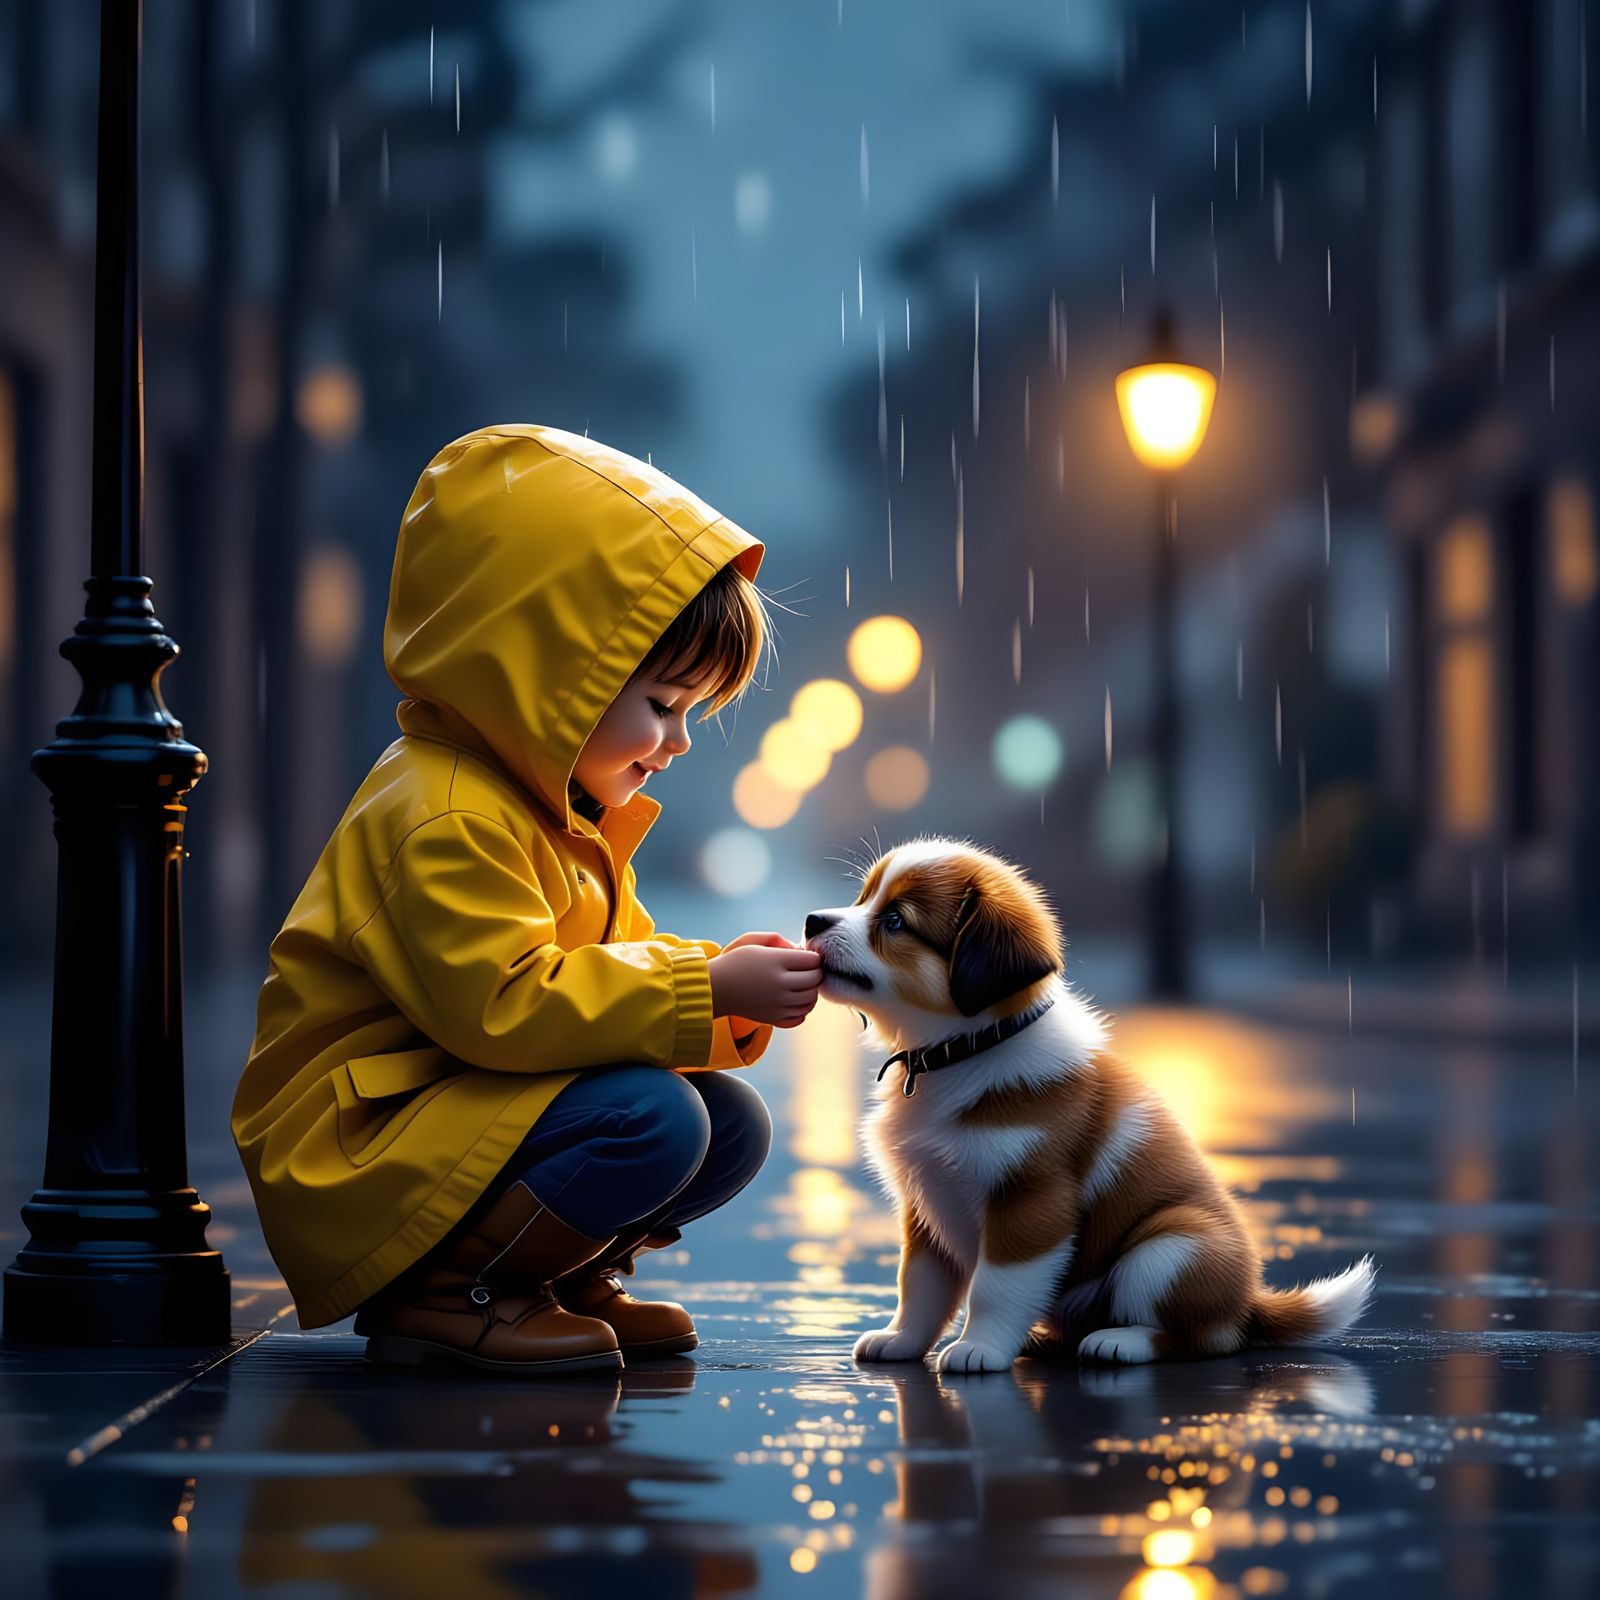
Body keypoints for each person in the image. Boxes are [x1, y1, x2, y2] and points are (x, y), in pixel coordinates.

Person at [230, 424, 823, 1373]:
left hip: (447, 1109)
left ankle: (554, 1273)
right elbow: (506, 1006)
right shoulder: (445, 812)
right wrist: (708, 990)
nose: (675, 743)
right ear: (554, 675)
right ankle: (455, 1293)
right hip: (361, 1145)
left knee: (729, 1122)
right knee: (655, 1120)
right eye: (663, 706)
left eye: (691, 714)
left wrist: (719, 978)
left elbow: (606, 974)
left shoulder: (558, 816)